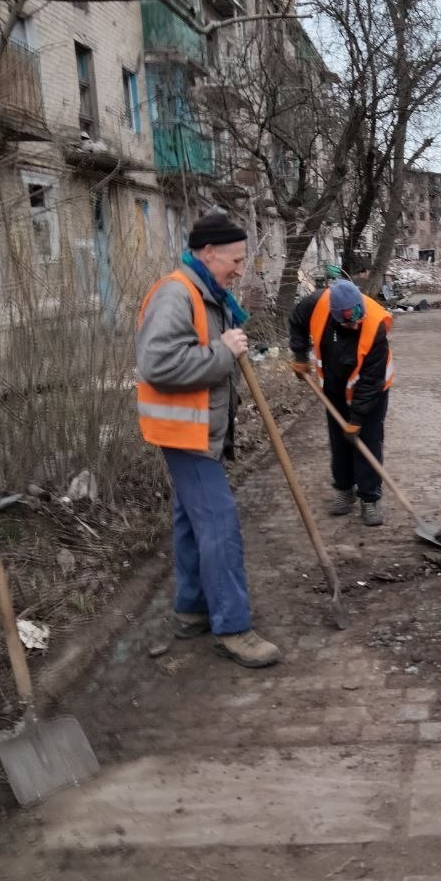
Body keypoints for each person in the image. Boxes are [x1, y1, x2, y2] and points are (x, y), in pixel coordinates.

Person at [135, 211, 281, 668]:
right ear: (208, 252)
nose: (240, 268)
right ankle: (232, 627)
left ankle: (191, 609)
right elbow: (157, 365)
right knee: (219, 525)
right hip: (187, 433)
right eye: (234, 259)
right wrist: (223, 352)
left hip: (197, 429)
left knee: (191, 520)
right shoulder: (177, 294)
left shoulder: (208, 293)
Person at [289, 279, 393, 526]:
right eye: (348, 321)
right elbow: (296, 322)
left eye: (358, 317)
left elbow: (370, 381)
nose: (356, 324)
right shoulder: (315, 304)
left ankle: (369, 498)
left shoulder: (375, 325)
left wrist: (357, 419)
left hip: (372, 390)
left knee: (367, 440)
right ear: (335, 315)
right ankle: (344, 491)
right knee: (339, 441)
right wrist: (300, 355)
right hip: (334, 388)